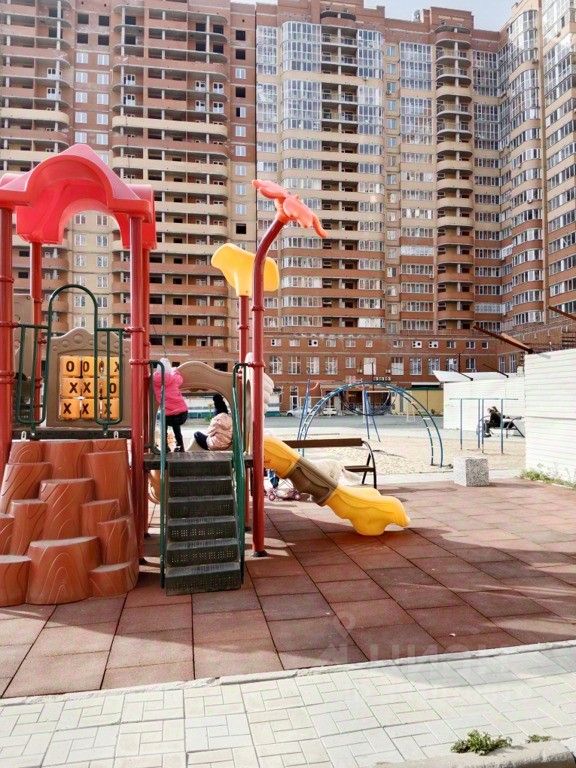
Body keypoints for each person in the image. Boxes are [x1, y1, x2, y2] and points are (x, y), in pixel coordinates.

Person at [152, 358, 188, 452]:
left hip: (167, 415)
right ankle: (180, 446)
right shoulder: (173, 378)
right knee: (177, 428)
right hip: (182, 413)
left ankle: (164, 447)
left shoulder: (154, 380)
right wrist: (175, 370)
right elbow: (180, 379)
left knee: (163, 427)